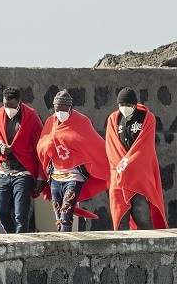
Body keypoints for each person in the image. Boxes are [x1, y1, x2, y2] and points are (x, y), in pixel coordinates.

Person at [36, 90, 110, 232]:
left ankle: (66, 247)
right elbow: (42, 146)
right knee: (58, 215)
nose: (60, 113)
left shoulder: (82, 121)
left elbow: (93, 143)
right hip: (55, 176)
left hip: (74, 175)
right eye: (58, 110)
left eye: (64, 110)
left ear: (70, 108)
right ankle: (62, 247)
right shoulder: (51, 122)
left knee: (66, 212)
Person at [105, 88, 167, 230]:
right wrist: (120, 164)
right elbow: (111, 145)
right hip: (119, 173)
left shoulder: (146, 117)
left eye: (128, 105)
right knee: (120, 216)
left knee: (142, 213)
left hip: (139, 173)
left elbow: (144, 146)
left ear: (134, 104)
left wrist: (128, 162)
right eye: (121, 105)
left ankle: (152, 248)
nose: (124, 108)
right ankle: (121, 250)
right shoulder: (114, 119)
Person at [0, 87, 44, 233]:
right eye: (6, 106)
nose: (8, 109)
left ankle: (21, 242)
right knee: (1, 212)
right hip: (4, 172)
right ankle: (15, 238)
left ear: (19, 103)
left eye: (12, 106)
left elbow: (41, 147)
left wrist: (41, 176)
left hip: (23, 173)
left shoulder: (31, 116)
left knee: (21, 216)